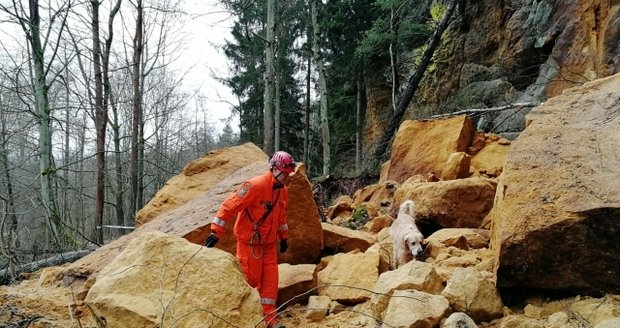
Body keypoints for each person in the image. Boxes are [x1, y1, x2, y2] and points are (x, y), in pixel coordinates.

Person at [204, 151, 295, 328]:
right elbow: (229, 206)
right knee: (250, 280)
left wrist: (283, 238)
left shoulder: (282, 191)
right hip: (249, 244)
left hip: (268, 246)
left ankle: (269, 321)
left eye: (288, 173)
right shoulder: (255, 185)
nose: (286, 176)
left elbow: (281, 217)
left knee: (270, 285)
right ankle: (240, 317)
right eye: (284, 172)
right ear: (274, 168)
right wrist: (216, 232)